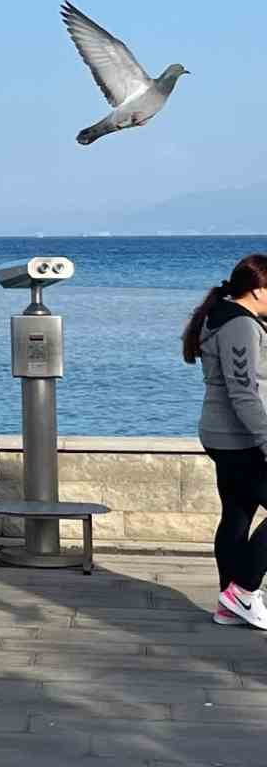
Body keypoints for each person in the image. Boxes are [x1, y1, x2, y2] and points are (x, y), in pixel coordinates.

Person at [184, 253, 267, 628]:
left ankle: (228, 606)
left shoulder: (228, 317)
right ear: (258, 289)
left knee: (237, 514)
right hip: (240, 438)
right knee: (236, 514)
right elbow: (243, 392)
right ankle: (243, 592)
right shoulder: (239, 326)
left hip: (225, 434)